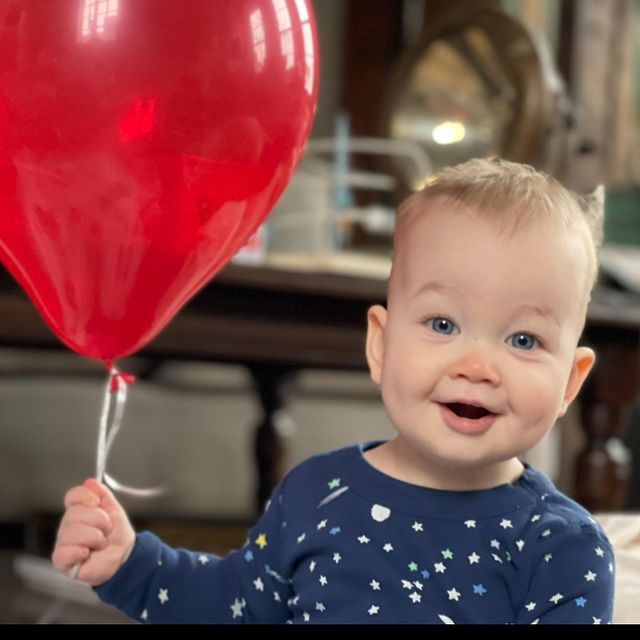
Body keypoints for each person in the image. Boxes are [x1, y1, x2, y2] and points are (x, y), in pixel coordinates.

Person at [52, 158, 615, 624]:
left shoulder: (561, 547)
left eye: (523, 339)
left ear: (570, 381)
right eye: (443, 325)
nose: (478, 366)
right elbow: (238, 603)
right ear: (380, 343)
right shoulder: (317, 492)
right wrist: (129, 564)